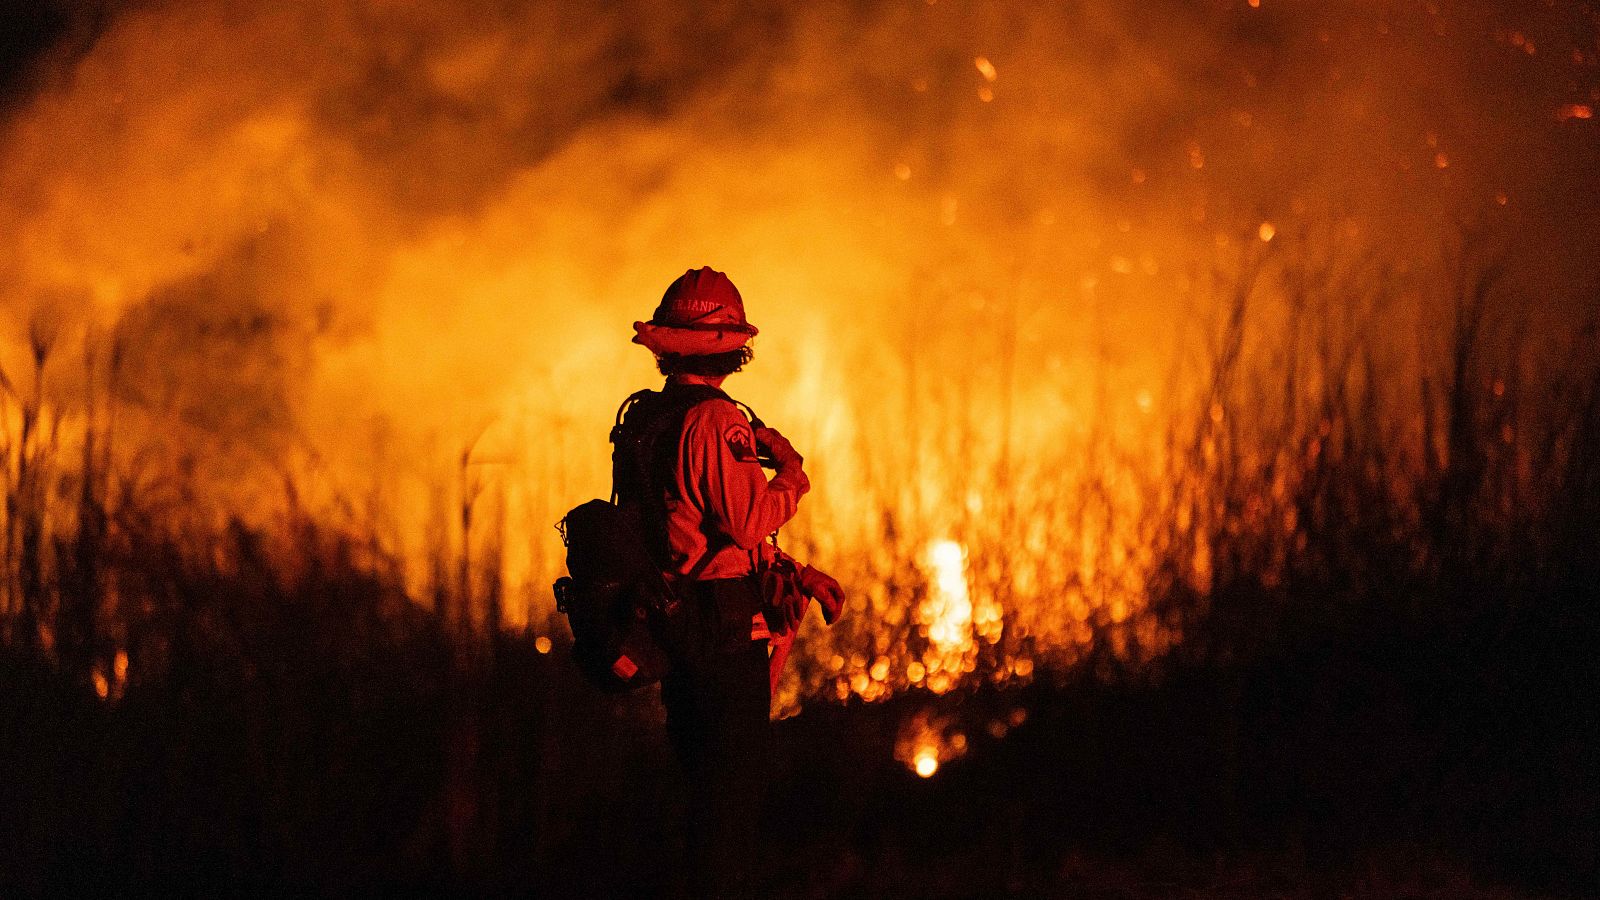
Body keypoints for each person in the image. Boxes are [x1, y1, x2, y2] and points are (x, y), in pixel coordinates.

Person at [619, 266, 845, 899]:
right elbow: (746, 522)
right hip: (721, 638)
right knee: (729, 813)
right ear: (730, 347)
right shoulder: (717, 422)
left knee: (700, 803)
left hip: (677, 625)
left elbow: (686, 527)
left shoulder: (647, 418)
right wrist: (791, 472)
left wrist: (796, 574)